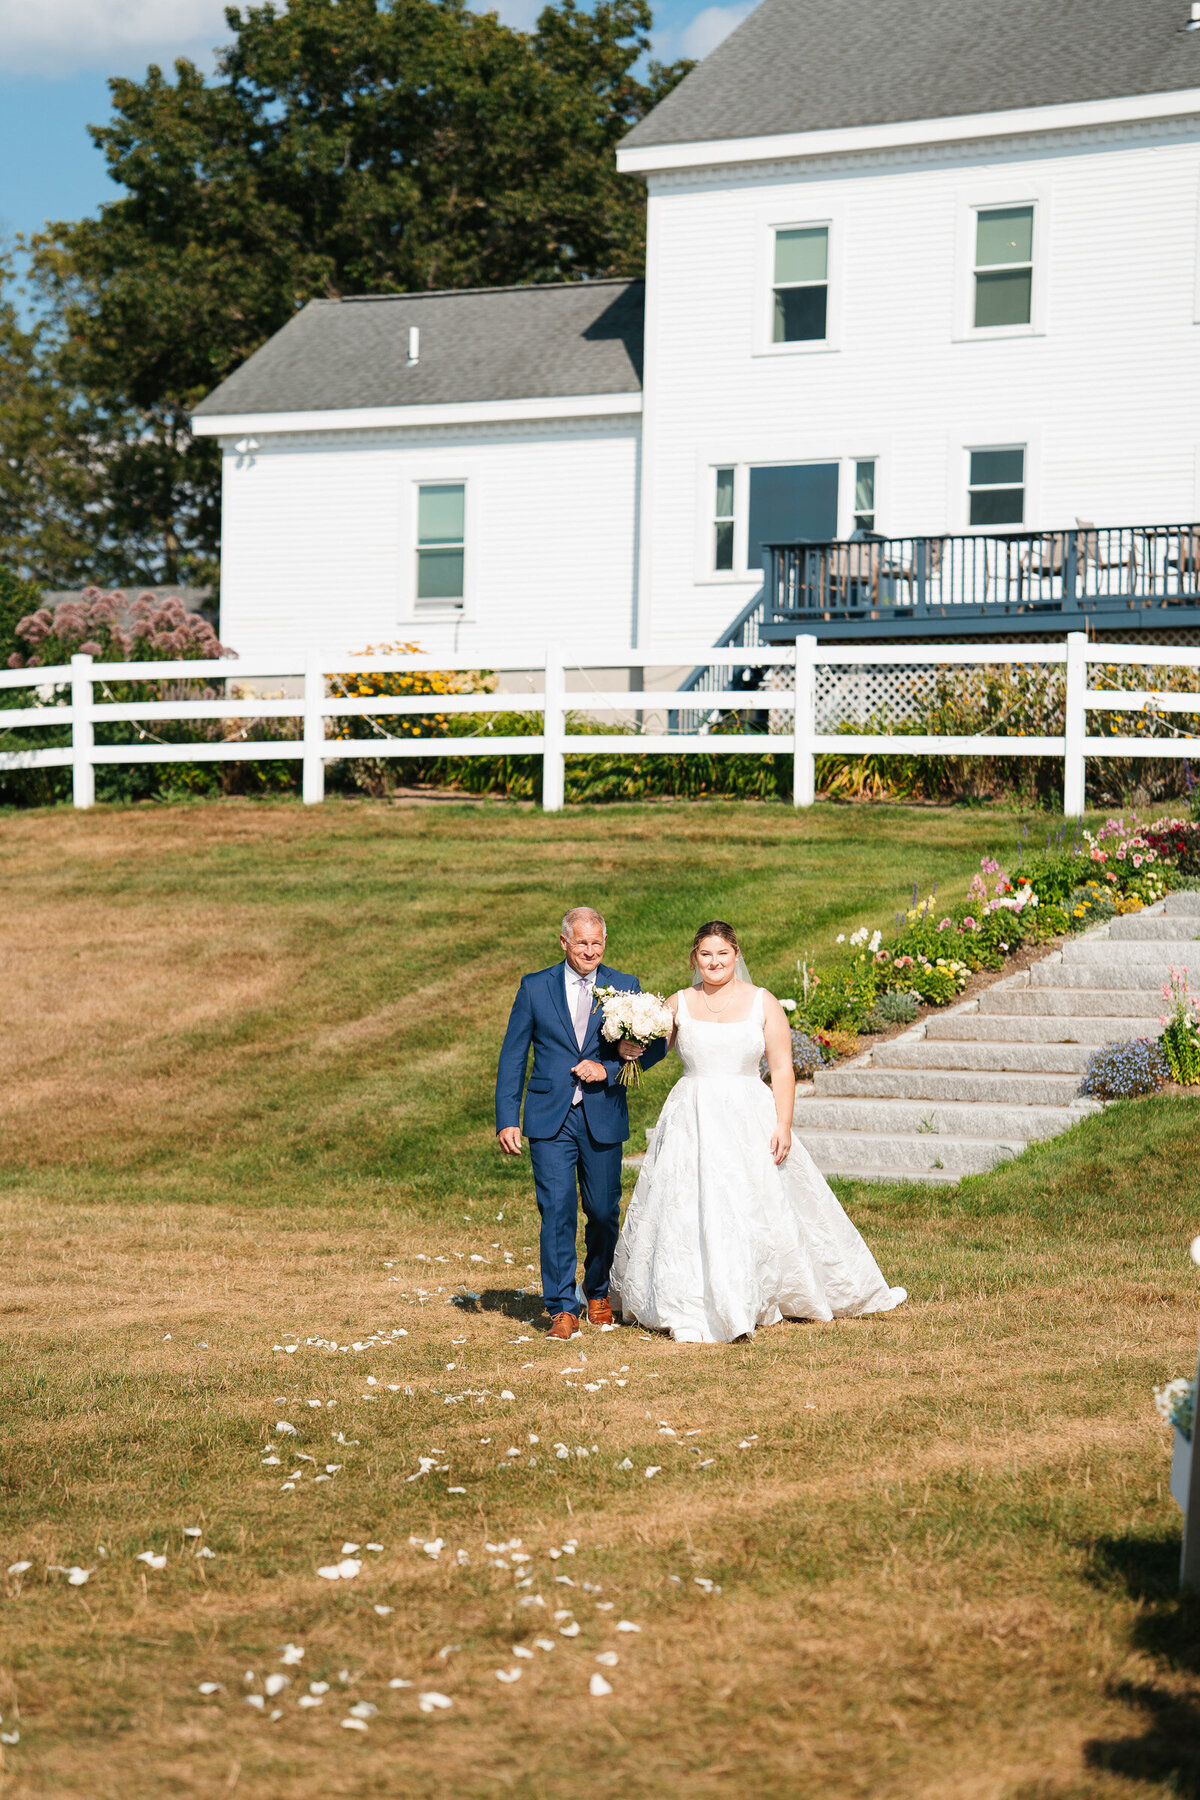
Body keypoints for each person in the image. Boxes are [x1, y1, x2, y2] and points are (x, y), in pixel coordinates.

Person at [611, 920, 906, 1342]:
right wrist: (626, 1042)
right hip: (692, 1114)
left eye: (722, 954)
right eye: (705, 954)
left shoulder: (762, 1003)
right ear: (694, 958)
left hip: (748, 1114)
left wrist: (783, 1123)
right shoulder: (678, 1003)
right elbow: (649, 1050)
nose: (714, 962)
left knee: (753, 1200)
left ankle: (762, 1288)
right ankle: (689, 1295)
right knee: (686, 1201)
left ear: (736, 955)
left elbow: (782, 1068)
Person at [496, 907, 669, 1340]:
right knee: (555, 1209)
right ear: (564, 943)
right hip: (549, 1117)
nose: (590, 951)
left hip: (602, 1114)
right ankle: (561, 1307)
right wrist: (507, 1117)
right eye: (582, 943)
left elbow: (656, 1044)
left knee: (603, 1211)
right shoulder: (535, 988)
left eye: (597, 943)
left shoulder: (625, 987)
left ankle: (597, 1291)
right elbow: (514, 1055)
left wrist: (610, 1069)